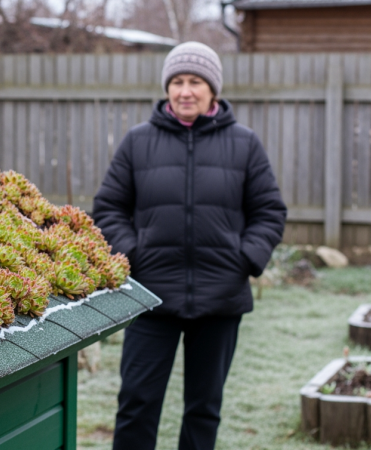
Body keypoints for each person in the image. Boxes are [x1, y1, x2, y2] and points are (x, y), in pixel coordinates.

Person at [91, 42, 287, 450]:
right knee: (137, 403)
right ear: (167, 88)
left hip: (220, 300)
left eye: (195, 82)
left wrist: (246, 259)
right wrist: (134, 255)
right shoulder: (137, 141)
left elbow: (269, 210)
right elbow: (108, 207)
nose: (185, 91)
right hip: (149, 298)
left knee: (204, 408)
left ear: (212, 90)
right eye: (177, 81)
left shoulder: (244, 143)